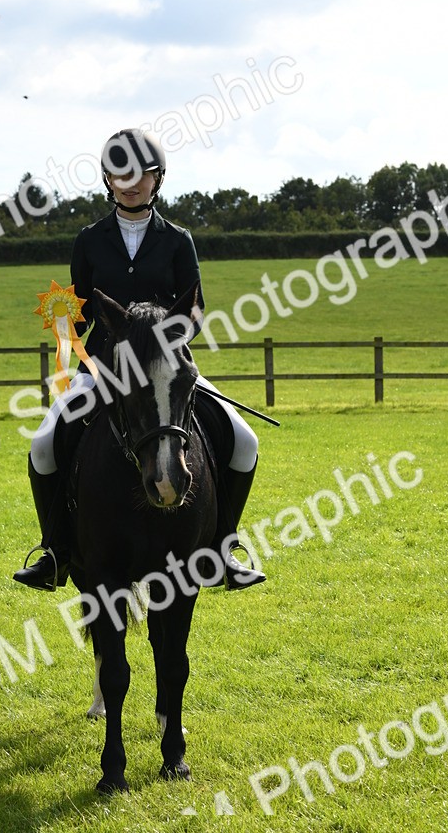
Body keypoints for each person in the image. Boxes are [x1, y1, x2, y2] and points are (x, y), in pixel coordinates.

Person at [13, 127, 265, 593]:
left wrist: (170, 337)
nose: (130, 182)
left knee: (244, 441)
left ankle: (224, 548)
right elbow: (82, 306)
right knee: (44, 443)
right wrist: (68, 325)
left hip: (167, 368)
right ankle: (54, 551)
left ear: (158, 178)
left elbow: (194, 308)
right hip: (106, 368)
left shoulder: (178, 240)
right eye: (119, 173)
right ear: (107, 180)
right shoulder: (89, 241)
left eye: (141, 174)